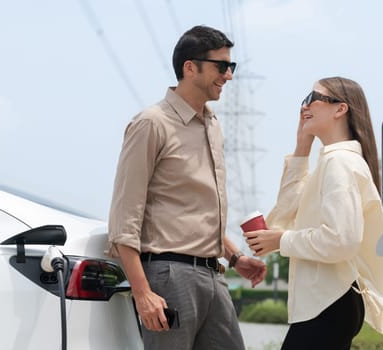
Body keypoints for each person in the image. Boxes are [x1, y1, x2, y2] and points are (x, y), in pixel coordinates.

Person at [107, 25, 266, 350]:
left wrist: (235, 258)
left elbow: (196, 210)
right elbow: (124, 218)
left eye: (230, 66)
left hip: (214, 275)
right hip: (169, 277)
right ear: (190, 67)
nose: (229, 76)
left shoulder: (212, 126)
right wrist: (142, 292)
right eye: (222, 66)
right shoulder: (152, 124)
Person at [244, 77, 383, 349]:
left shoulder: (340, 162)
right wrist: (302, 146)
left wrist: (281, 241)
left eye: (312, 97)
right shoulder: (332, 161)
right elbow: (283, 215)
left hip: (329, 302)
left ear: (340, 109)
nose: (304, 105)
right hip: (327, 302)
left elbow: (342, 240)